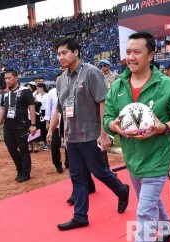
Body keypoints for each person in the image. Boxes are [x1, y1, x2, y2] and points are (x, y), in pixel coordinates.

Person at [104, 31, 170, 242]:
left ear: (151, 55)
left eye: (137, 52)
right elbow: (108, 117)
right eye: (128, 52)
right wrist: (112, 125)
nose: (130, 57)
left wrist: (163, 127)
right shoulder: (118, 86)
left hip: (158, 156)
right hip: (132, 158)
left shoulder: (167, 85)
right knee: (149, 202)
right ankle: (168, 230)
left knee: (143, 211)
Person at [46, 37, 130, 231]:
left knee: (100, 172)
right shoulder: (61, 80)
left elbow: (103, 103)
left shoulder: (91, 72)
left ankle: (122, 190)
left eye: (64, 53)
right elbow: (61, 109)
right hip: (73, 136)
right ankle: (80, 216)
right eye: (58, 54)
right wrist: (63, 135)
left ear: (76, 52)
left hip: (92, 134)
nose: (60, 57)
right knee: (76, 176)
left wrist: (103, 133)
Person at [0, 69, 36, 182]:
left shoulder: (25, 91)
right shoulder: (5, 93)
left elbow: (31, 107)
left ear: (16, 77)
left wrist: (33, 124)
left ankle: (26, 172)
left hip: (22, 125)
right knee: (11, 149)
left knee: (23, 149)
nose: (7, 80)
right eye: (5, 78)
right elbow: (3, 108)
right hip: (8, 126)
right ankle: (19, 169)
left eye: (9, 78)